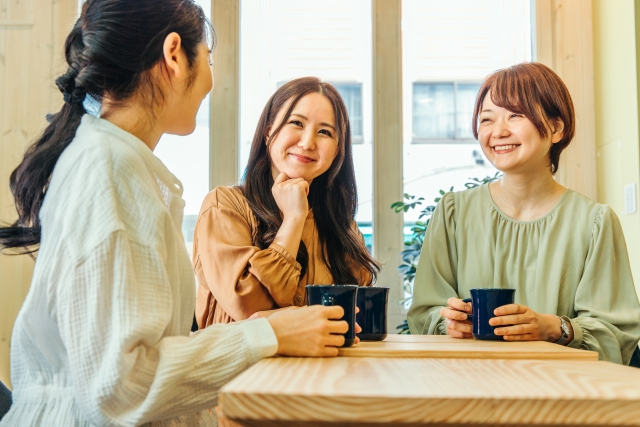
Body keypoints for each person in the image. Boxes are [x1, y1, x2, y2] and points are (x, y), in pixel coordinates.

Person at [0, 1, 354, 426]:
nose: (210, 79)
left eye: (325, 132)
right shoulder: (110, 174)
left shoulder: (117, 166)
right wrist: (270, 333)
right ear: (174, 55)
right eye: (207, 57)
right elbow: (119, 387)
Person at [407, 62, 640, 364]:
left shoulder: (593, 222)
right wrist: (450, 322)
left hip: (562, 399)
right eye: (487, 119)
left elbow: (615, 335)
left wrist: (553, 328)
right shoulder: (453, 213)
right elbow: (424, 313)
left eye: (515, 115)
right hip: (467, 391)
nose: (498, 132)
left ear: (557, 128)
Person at [193, 77, 380, 327]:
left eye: (325, 132)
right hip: (248, 367)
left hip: (329, 366)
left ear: (337, 150)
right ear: (269, 129)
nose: (307, 143)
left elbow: (357, 321)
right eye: (296, 123)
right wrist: (293, 219)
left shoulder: (343, 228)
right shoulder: (224, 206)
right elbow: (249, 310)